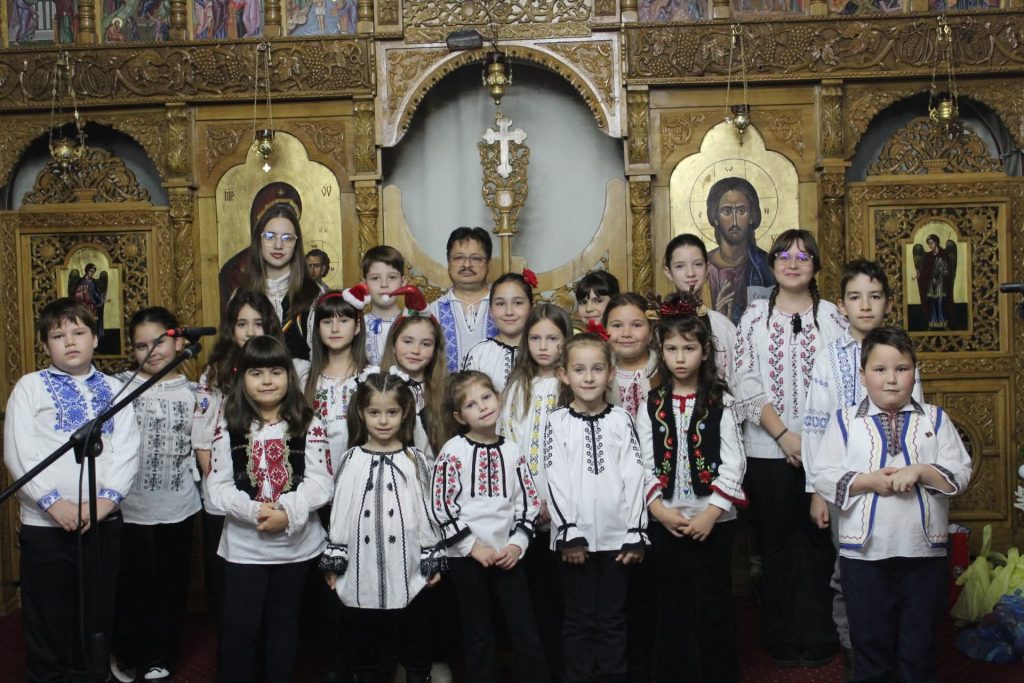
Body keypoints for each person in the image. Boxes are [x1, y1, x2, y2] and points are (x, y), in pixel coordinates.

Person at [811, 327, 972, 683]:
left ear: (915, 372)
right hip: (864, 557)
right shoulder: (845, 422)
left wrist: (921, 471)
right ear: (862, 374)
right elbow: (823, 474)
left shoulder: (935, 419)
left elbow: (960, 473)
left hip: (923, 553)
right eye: (880, 370)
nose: (891, 379)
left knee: (919, 646)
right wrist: (868, 481)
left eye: (901, 369)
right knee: (870, 647)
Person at [4, 298, 140, 682]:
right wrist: (53, 504)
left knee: (97, 610)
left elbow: (128, 450)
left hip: (102, 523)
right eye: (58, 335)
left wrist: (103, 503)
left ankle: (93, 674)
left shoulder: (116, 389)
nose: (69, 341)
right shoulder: (30, 387)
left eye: (79, 332)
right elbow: (19, 452)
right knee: (47, 614)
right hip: (46, 525)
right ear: (45, 345)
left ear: (95, 338)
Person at [802, 259, 923, 676]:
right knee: (847, 571)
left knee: (899, 570)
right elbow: (815, 426)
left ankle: (897, 653)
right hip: (847, 486)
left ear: (888, 303)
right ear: (841, 305)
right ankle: (856, 653)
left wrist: (911, 473)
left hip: (899, 484)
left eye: (874, 296)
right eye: (856, 297)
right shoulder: (828, 359)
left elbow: (920, 420)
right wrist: (818, 491)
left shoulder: (903, 353)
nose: (866, 305)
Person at [733, 228, 848, 667]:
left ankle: (821, 636)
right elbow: (745, 380)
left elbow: (843, 384)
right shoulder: (754, 317)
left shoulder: (833, 317)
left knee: (821, 543)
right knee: (777, 545)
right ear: (773, 264)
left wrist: (813, 444)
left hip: (826, 451)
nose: (793, 263)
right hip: (767, 450)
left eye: (803, 257)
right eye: (784, 256)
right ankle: (780, 639)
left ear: (816, 266)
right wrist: (783, 435)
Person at [207, 335, 333, 682]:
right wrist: (255, 512)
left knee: (284, 624)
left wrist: (288, 512)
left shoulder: (308, 422)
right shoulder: (229, 424)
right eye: (256, 373)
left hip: (296, 548)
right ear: (242, 378)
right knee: (240, 627)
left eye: (276, 372)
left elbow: (322, 482)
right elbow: (217, 485)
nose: (266, 380)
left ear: (289, 377)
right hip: (245, 549)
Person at [636, 292, 746, 682]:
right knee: (672, 603)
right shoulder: (651, 403)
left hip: (714, 522)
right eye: (671, 349)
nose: (680, 358)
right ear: (661, 352)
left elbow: (735, 462)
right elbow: (642, 462)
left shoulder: (721, 401)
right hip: (666, 520)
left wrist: (711, 514)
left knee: (714, 602)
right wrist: (658, 510)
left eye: (689, 348)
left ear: (705, 351)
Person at [320, 371, 442, 682]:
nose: (383, 421)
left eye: (392, 412)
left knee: (415, 642)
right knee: (364, 647)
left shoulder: (415, 459)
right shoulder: (352, 459)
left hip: (408, 568)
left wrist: (431, 557)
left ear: (405, 413)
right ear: (362, 413)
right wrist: (335, 557)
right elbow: (340, 512)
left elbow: (426, 511)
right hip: (362, 570)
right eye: (375, 412)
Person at [432, 371, 549, 683]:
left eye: (486, 397)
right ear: (459, 416)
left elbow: (529, 504)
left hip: (507, 554)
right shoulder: (452, 452)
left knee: (524, 629)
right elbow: (441, 506)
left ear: (497, 398)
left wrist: (516, 545)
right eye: (471, 404)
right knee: (478, 631)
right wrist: (473, 547)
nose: (482, 406)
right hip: (467, 558)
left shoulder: (512, 452)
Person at [544, 333, 647, 683]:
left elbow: (634, 476)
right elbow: (555, 479)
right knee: (579, 619)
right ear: (564, 375)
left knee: (613, 619)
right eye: (579, 369)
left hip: (618, 541)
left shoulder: (621, 419)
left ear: (610, 374)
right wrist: (569, 533)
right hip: (576, 543)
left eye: (597, 369)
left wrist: (635, 531)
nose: (588, 378)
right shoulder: (557, 422)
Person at [111, 308, 202, 683]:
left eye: (159, 342)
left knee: (170, 585)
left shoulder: (195, 393)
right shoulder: (118, 387)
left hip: (177, 506)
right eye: (140, 345)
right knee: (132, 585)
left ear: (178, 341)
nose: (151, 352)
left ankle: (161, 657)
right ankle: (127, 652)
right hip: (127, 506)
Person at [192, 291, 284, 645]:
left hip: (273, 496)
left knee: (272, 589)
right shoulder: (216, 372)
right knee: (229, 583)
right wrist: (225, 487)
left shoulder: (281, 367)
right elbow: (202, 439)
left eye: (258, 323)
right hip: (226, 494)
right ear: (231, 328)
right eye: (242, 323)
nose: (249, 331)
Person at [500, 302, 573, 682]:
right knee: (535, 596)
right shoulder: (516, 388)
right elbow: (509, 448)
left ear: (566, 341)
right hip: (526, 511)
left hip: (567, 512)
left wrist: (554, 502)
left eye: (552, 338)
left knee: (565, 598)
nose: (544, 347)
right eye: (535, 338)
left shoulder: (573, 384)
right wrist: (531, 501)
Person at [232, 181, 323, 360]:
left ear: (296, 244)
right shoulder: (241, 294)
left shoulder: (313, 294)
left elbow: (320, 356)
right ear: (258, 241)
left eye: (287, 238)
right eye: (269, 236)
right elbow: (231, 352)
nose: (278, 245)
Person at [303, 286, 370, 471]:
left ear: (357, 326)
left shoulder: (370, 378)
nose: (334, 328)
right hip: (315, 474)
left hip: (360, 473)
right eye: (327, 322)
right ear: (318, 328)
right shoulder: (306, 380)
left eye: (343, 321)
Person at [381, 286, 448, 459]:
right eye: (408, 341)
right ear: (393, 345)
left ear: (435, 350)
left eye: (426, 344)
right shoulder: (378, 390)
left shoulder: (446, 393)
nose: (416, 351)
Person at [663, 233, 737, 389]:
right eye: (680, 266)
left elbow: (735, 379)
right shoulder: (660, 324)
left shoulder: (722, 326)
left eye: (697, 264)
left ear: (707, 268)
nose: (690, 273)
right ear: (668, 272)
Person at [704, 177, 776, 325]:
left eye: (741, 211)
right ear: (715, 217)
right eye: (727, 211)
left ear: (752, 216)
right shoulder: (702, 268)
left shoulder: (765, 266)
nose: (735, 222)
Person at [429, 227, 497, 372]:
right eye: (459, 258)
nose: (467, 265)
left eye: (476, 258)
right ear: (448, 261)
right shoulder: (432, 311)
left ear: (489, 263)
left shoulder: (505, 307)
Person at [462, 270, 534, 392]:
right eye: (500, 304)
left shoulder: (542, 351)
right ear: (490, 310)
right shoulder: (479, 353)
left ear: (531, 308)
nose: (509, 312)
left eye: (518, 303)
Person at [603, 293, 659, 419]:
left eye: (636, 325)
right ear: (604, 329)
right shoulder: (598, 372)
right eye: (617, 325)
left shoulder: (664, 370)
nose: (626, 333)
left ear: (651, 330)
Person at [361, 245, 408, 365]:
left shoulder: (412, 323)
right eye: (375, 278)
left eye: (392, 277)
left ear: (403, 282)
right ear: (364, 284)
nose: (384, 284)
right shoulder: (358, 326)